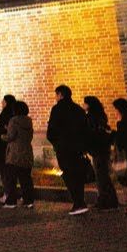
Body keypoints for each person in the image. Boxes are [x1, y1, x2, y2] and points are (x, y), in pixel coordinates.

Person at [47, 84, 91, 215]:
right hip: (78, 148)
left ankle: (78, 203)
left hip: (64, 148)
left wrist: (57, 144)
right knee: (78, 174)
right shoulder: (78, 109)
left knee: (68, 175)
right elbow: (86, 129)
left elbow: (51, 132)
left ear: (60, 95)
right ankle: (80, 201)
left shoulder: (57, 109)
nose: (55, 97)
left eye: (56, 95)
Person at [84, 96, 118, 210]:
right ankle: (111, 200)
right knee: (104, 175)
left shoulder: (91, 117)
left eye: (85, 103)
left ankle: (104, 201)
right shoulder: (101, 115)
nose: (83, 105)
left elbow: (91, 133)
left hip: (97, 149)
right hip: (103, 148)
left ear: (89, 105)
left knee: (101, 176)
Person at [1, 101, 35, 209]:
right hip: (27, 152)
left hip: (15, 154)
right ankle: (28, 201)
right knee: (26, 179)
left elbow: (11, 136)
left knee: (11, 179)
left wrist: (3, 136)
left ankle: (11, 202)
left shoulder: (13, 120)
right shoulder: (28, 121)